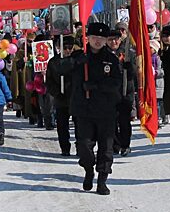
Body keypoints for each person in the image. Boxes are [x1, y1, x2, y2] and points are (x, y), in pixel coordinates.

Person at [58, 22, 121, 195]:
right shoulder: (80, 56)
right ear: (88, 38)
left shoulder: (111, 59)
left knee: (106, 147)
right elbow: (59, 68)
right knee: (84, 146)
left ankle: (102, 180)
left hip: (105, 110)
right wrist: (75, 62)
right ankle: (88, 170)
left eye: (102, 38)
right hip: (83, 110)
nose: (98, 41)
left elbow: (116, 82)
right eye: (95, 38)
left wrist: (95, 86)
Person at [106, 29, 135, 157]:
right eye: (111, 39)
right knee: (111, 121)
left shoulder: (127, 53)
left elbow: (136, 73)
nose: (114, 42)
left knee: (124, 121)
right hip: (110, 93)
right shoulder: (104, 54)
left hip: (125, 91)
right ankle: (114, 144)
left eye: (116, 39)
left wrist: (130, 68)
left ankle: (125, 145)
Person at [46, 35, 76, 156]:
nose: (68, 50)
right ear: (59, 47)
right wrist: (57, 93)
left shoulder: (76, 60)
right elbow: (49, 81)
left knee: (79, 124)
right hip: (61, 97)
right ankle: (65, 147)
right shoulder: (53, 62)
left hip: (75, 97)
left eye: (70, 48)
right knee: (62, 126)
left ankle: (81, 146)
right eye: (65, 47)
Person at [158, 26, 170, 125]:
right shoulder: (161, 49)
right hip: (163, 76)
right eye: (163, 36)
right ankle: (165, 116)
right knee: (165, 97)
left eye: (167, 36)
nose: (165, 38)